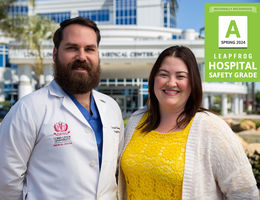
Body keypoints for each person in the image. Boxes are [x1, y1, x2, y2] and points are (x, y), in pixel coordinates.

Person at [0, 17, 124, 200]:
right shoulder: (28, 109)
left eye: (90, 49)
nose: (82, 56)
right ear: (55, 53)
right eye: (72, 48)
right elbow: (6, 183)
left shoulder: (112, 108)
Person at [118, 46, 259, 200]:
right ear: (153, 80)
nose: (171, 83)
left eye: (180, 76)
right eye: (163, 75)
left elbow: (245, 193)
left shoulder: (211, 127)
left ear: (192, 83)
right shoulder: (136, 121)